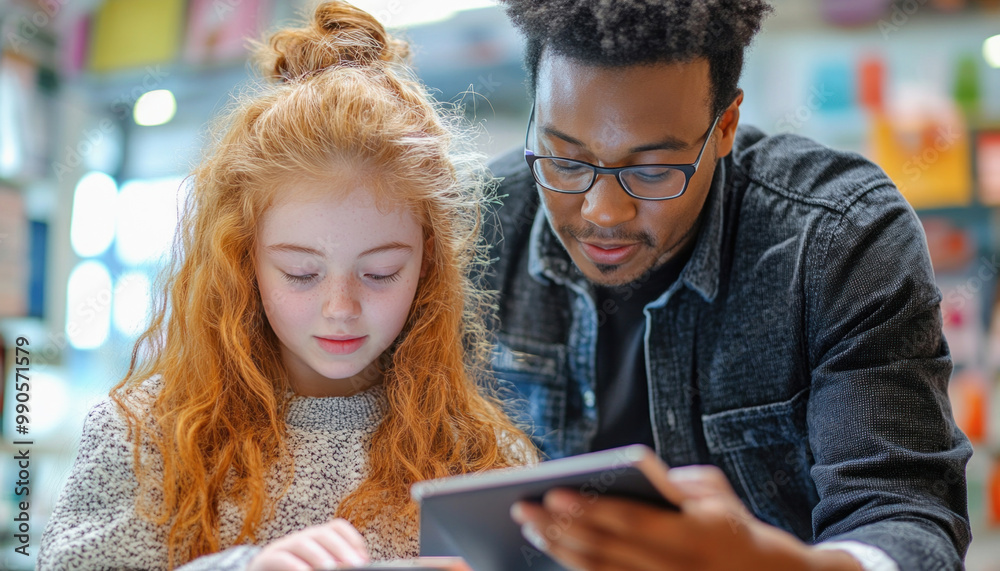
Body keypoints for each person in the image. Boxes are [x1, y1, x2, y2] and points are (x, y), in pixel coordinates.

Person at [37, 3, 535, 570]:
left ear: (428, 265)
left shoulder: (485, 460)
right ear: (242, 258)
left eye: (380, 273)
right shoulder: (142, 437)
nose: (341, 308)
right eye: (301, 273)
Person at [484, 1, 972, 570]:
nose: (604, 211)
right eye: (566, 160)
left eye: (651, 169)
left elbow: (910, 523)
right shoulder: (476, 229)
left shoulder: (840, 239)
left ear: (725, 127)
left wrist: (772, 564)